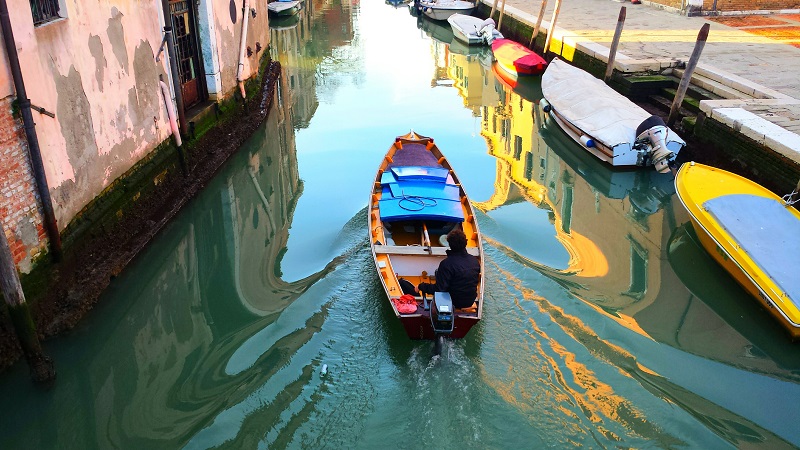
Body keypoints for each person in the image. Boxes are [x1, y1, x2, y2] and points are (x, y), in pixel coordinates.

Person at [417, 228, 481, 309]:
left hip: (453, 302)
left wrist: (421, 286)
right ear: (466, 242)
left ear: (449, 244)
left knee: (439, 274)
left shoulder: (446, 264)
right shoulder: (474, 261)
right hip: (470, 301)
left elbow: (439, 289)